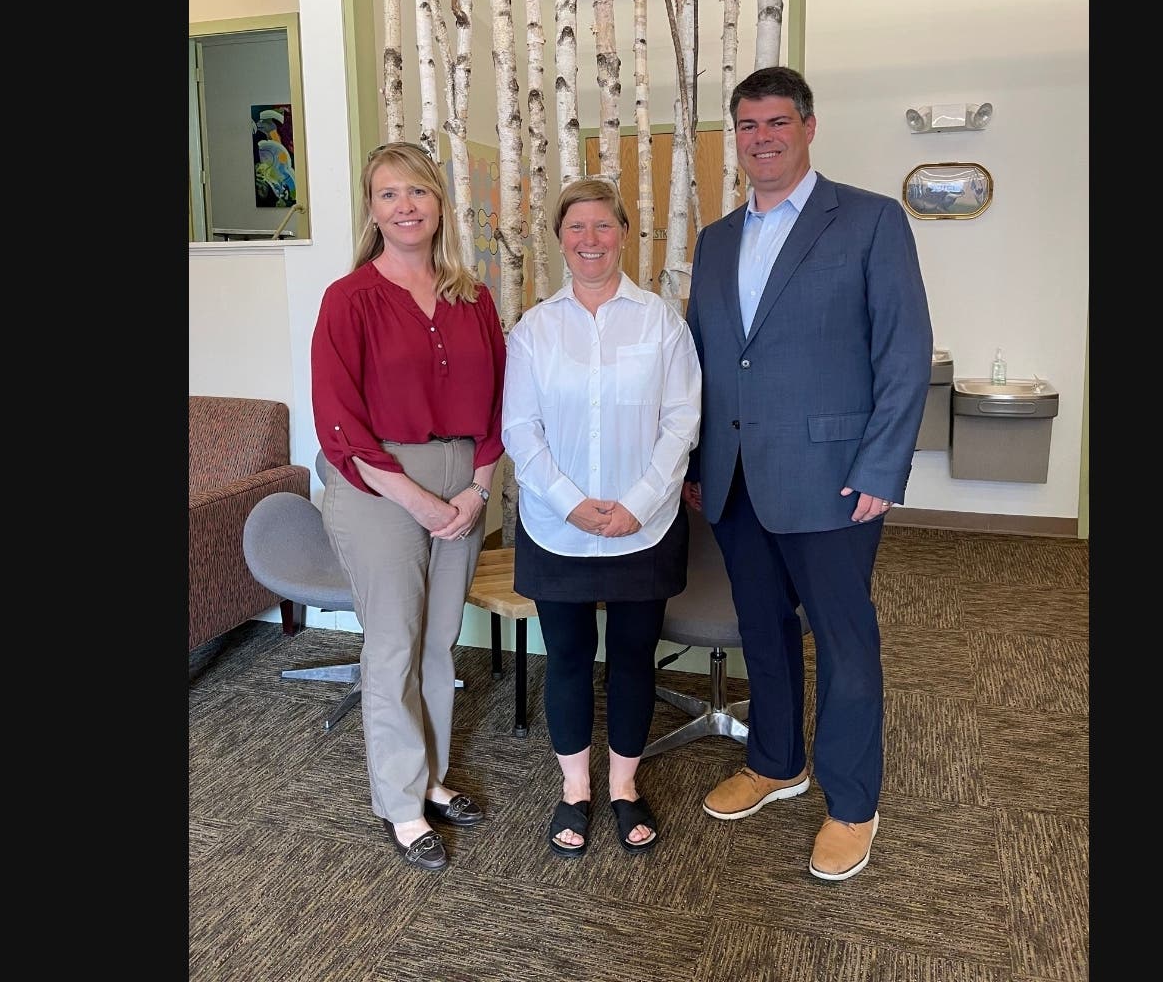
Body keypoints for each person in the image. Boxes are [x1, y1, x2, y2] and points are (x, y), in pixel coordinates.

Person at [681, 65, 932, 883]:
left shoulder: (866, 221)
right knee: (764, 630)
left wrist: (883, 467)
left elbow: (904, 351)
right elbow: (705, 363)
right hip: (736, 477)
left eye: (778, 123)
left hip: (833, 477)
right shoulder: (716, 240)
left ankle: (853, 803)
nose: (763, 138)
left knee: (846, 641)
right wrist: (693, 463)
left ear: (808, 128)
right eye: (749, 126)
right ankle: (777, 761)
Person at [311, 141, 507, 873]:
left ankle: (429, 778)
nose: (406, 206)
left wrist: (478, 487)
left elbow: (498, 407)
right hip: (378, 483)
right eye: (390, 194)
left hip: (465, 479)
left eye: (418, 192)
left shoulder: (472, 296)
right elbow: (338, 422)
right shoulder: (349, 299)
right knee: (394, 641)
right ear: (372, 209)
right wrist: (420, 500)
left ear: (438, 204)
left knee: (437, 642)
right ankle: (399, 804)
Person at [501, 177, 702, 858]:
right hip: (556, 527)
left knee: (632, 660)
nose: (591, 240)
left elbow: (682, 423)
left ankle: (623, 787)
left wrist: (638, 504)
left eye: (604, 226)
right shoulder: (535, 329)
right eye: (577, 228)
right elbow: (520, 431)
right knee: (567, 659)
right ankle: (575, 790)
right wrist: (571, 503)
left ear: (625, 233)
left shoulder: (661, 322)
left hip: (644, 526)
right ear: (560, 239)